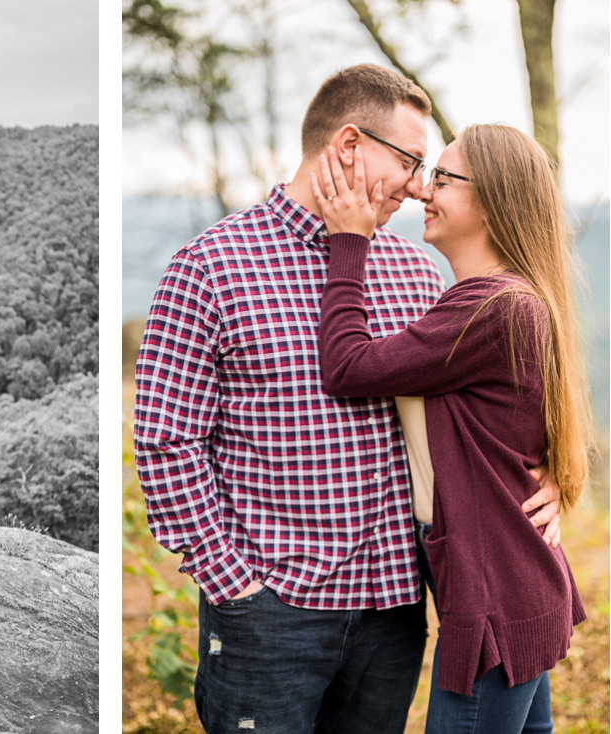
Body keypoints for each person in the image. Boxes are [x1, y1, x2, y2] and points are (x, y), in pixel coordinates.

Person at [132, 64, 564, 734]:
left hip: (395, 609)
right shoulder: (210, 267)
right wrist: (234, 585)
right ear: (348, 145)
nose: (420, 184)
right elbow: (167, 441)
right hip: (271, 614)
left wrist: (552, 478)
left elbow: (500, 403)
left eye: (432, 170)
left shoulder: (418, 271)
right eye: (412, 161)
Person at [310, 125, 591, 733]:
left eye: (442, 177)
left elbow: (347, 366)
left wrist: (349, 243)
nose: (423, 190)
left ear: (492, 200)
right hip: (511, 580)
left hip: (494, 597)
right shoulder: (495, 299)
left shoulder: (492, 308)